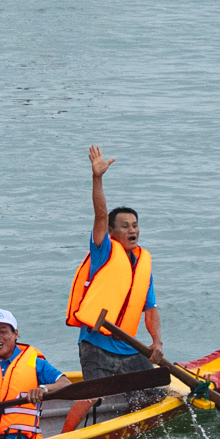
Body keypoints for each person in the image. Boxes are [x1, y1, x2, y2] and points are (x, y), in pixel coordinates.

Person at [67, 144, 162, 389]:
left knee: (152, 395)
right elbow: (100, 215)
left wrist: (156, 343)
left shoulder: (142, 263)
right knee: (93, 396)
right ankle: (73, 428)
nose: (132, 230)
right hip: (95, 346)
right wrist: (96, 178)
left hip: (129, 348)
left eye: (135, 225)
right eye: (125, 226)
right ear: (111, 232)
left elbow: (150, 310)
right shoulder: (104, 250)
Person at [0, 309, 73, 439]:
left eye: (3, 331)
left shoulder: (35, 363)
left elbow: (65, 384)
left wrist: (43, 389)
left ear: (15, 334)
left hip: (16, 437)